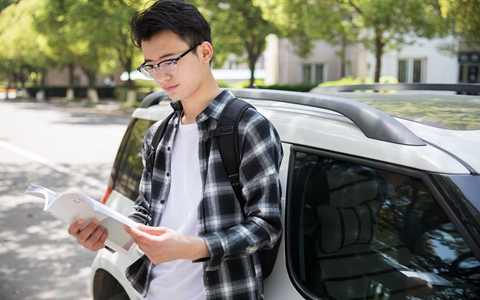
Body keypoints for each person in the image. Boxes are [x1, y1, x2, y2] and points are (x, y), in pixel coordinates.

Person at [67, 0, 283, 299]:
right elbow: (146, 209)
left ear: (205, 52)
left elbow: (267, 225)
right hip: (153, 292)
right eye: (151, 66)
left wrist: (194, 247)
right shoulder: (158, 134)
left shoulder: (247, 127)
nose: (161, 76)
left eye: (169, 61)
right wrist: (106, 235)